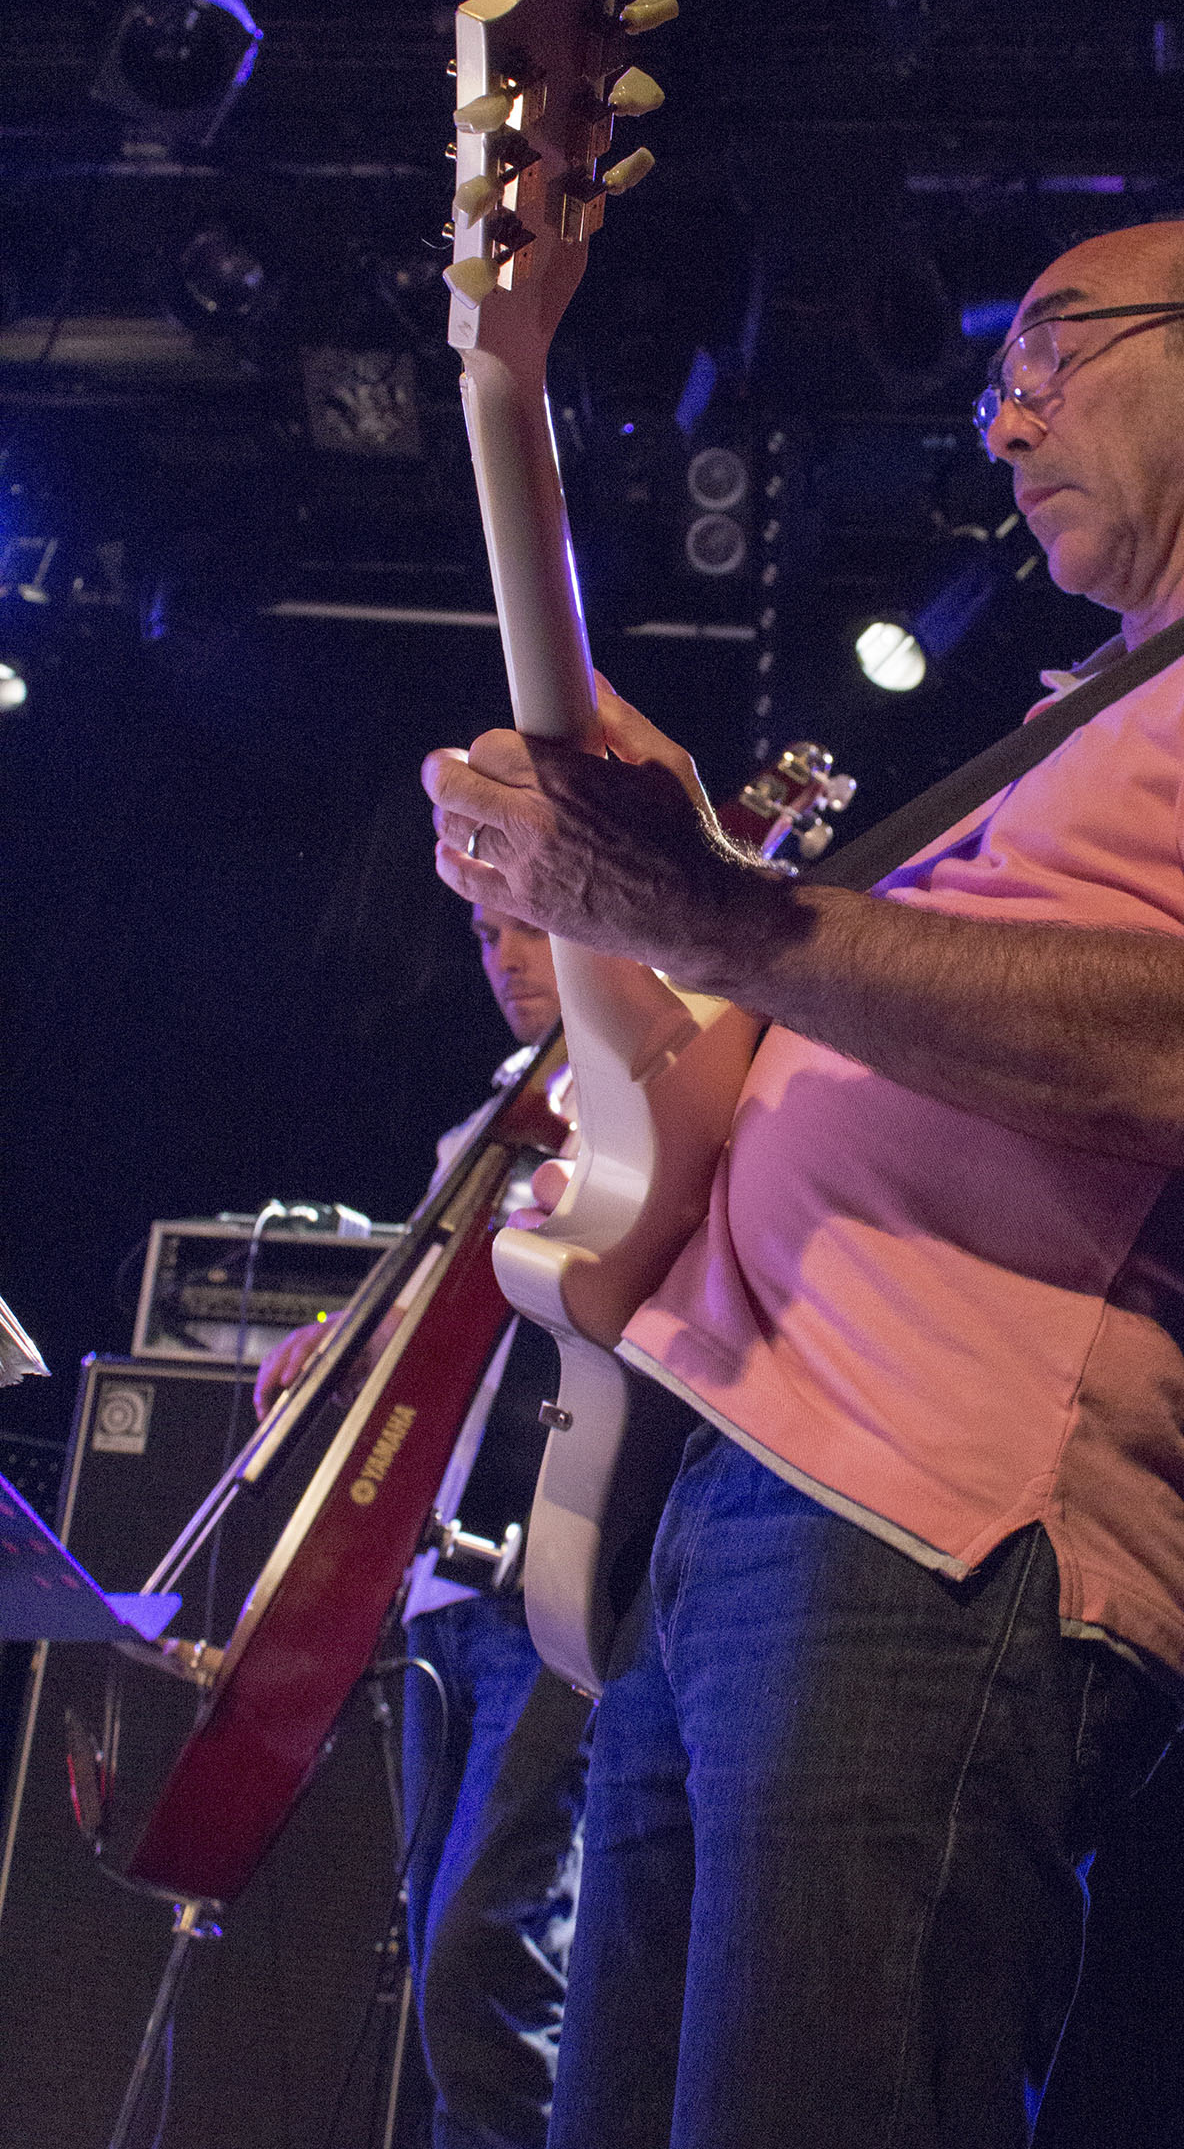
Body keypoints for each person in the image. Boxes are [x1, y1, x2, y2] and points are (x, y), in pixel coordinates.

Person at [420, 216, 1184, 2149]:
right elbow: (804, 1022)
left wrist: (721, 915)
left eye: (1047, 356)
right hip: (737, 1504)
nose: (1005, 421)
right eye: (994, 388)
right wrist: (659, 907)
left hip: (941, 1517)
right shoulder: (1077, 721)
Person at [255, 909, 589, 2149]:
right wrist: (343, 1346)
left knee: (485, 1959)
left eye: (530, 928)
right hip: (447, 1583)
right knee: (451, 1966)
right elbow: (443, 1318)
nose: (504, 957)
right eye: (486, 934)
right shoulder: (493, 1118)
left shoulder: (633, 1095)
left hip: (549, 1578)